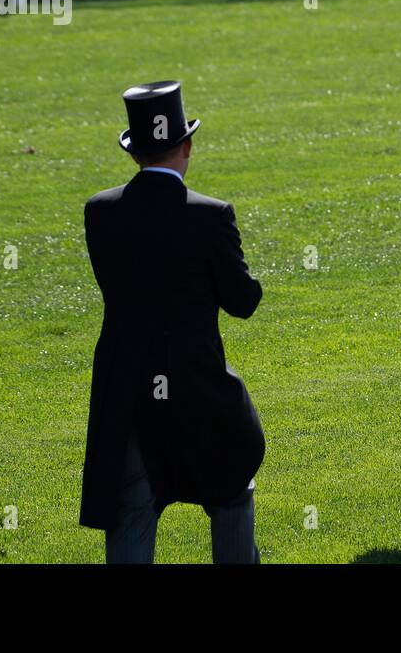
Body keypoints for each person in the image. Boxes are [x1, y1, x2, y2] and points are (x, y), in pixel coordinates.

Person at [81, 81, 265, 564]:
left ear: (134, 153)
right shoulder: (211, 216)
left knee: (132, 514)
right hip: (198, 390)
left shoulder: (100, 212)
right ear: (187, 146)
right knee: (231, 492)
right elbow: (242, 302)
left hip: (126, 392)